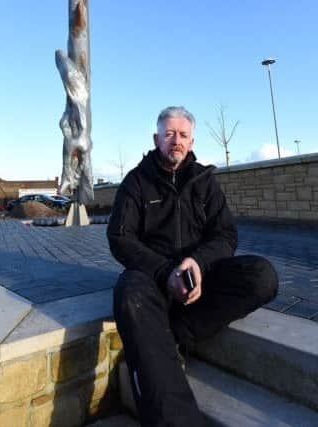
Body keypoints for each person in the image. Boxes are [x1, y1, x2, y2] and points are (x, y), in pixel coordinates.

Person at [107, 106, 278, 427]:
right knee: (128, 291)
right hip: (152, 280)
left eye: (183, 135)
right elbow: (120, 238)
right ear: (156, 138)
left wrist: (197, 262)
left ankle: (178, 333)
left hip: (199, 276)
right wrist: (163, 271)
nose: (176, 141)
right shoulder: (136, 182)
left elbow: (226, 235)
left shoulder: (204, 181)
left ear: (192, 140)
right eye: (169, 134)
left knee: (262, 275)